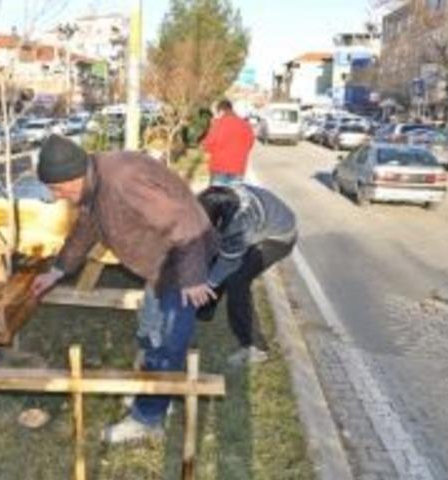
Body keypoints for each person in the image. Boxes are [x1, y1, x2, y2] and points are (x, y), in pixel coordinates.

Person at [30, 135, 218, 444]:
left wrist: (193, 275)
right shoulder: (95, 184)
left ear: (73, 176)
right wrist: (57, 271)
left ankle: (149, 419)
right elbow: (86, 229)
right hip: (163, 261)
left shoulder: (122, 179)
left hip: (183, 260)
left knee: (169, 341)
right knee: (149, 330)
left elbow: (183, 220)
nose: (56, 196)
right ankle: (152, 393)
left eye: (56, 188)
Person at [196, 184, 297, 365]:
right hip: (264, 221)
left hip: (278, 238)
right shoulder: (211, 199)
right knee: (216, 259)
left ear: (220, 220)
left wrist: (208, 284)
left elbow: (229, 261)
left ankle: (256, 348)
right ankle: (203, 309)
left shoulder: (239, 223)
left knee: (237, 281)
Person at [201, 99, 255, 186]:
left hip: (219, 168)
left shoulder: (218, 124)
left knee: (217, 197)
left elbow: (208, 145)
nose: (216, 115)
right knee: (233, 197)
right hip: (238, 168)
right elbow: (250, 144)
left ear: (221, 111)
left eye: (217, 113)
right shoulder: (246, 125)